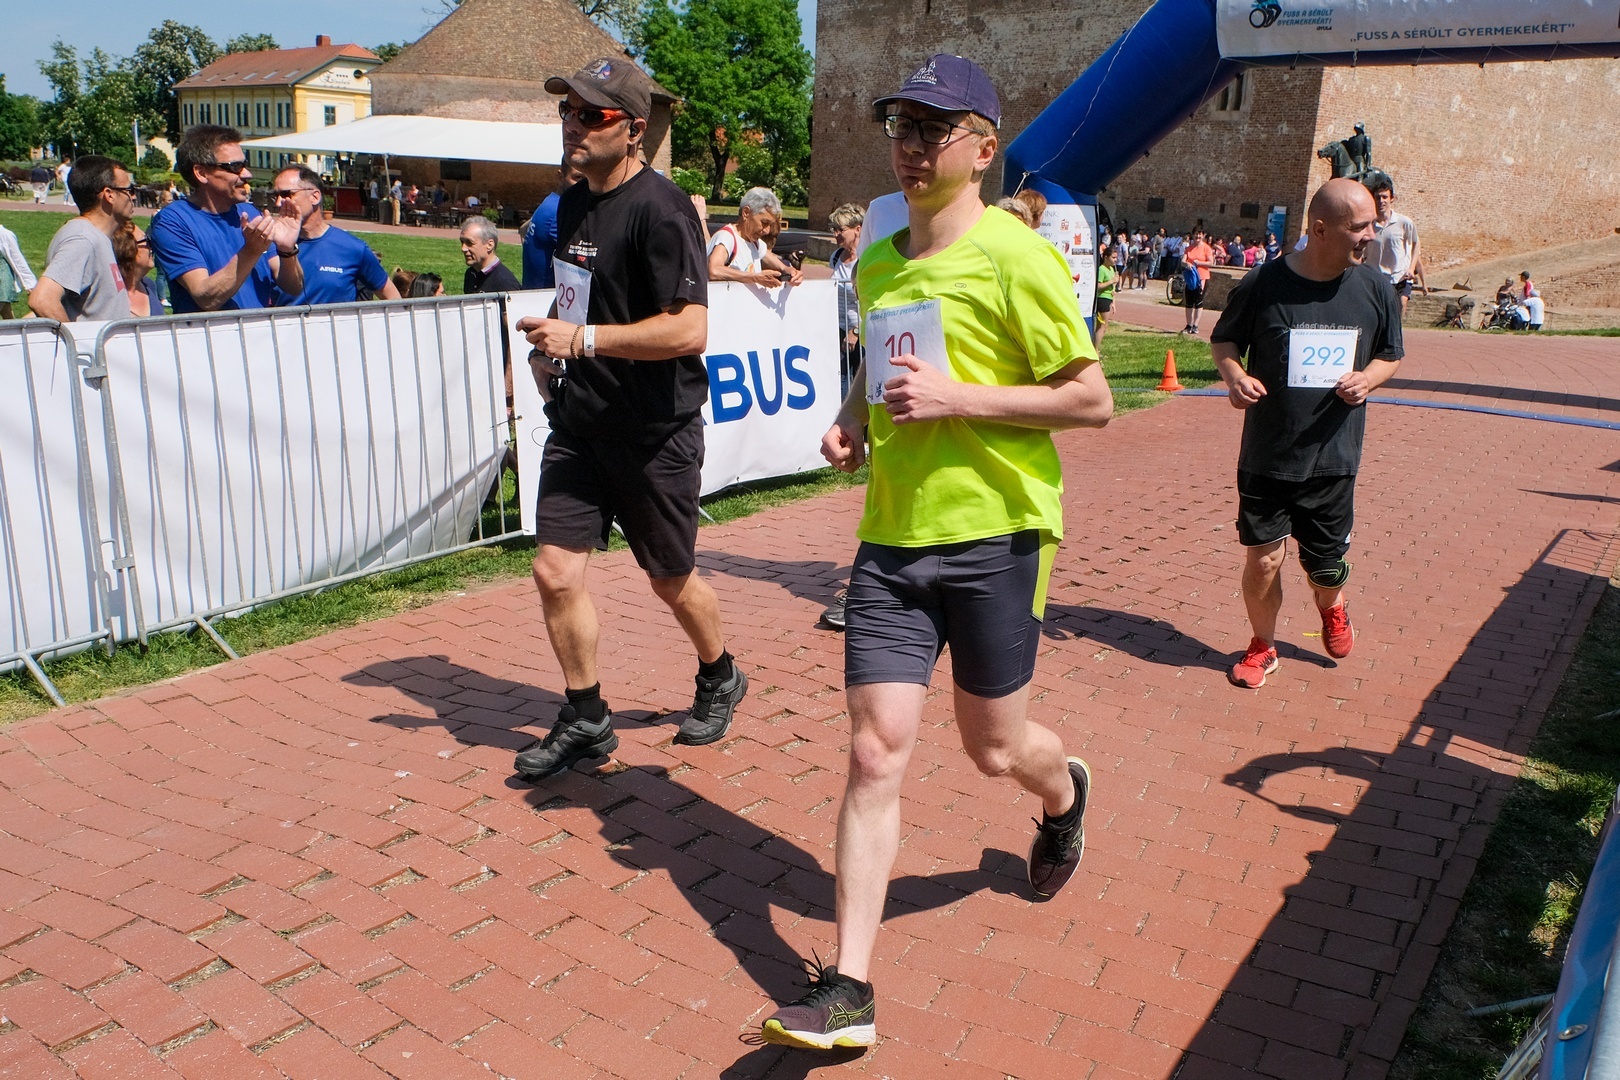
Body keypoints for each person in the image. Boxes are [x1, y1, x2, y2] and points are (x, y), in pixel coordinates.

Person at [760, 53, 1112, 1052]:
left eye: (933, 129)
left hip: (997, 534)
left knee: (994, 749)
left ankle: (1064, 793)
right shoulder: (878, 260)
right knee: (875, 750)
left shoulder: (1016, 257)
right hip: (892, 539)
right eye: (900, 127)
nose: (911, 147)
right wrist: (852, 418)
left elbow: (1091, 398)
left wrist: (961, 399)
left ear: (984, 149)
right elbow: (882, 363)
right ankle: (849, 991)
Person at [509, 56, 746, 782]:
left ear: (635, 129)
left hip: (654, 432)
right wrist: (551, 350)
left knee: (670, 578)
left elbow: (689, 330)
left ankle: (720, 672)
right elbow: (580, 297)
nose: (574, 125)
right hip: (580, 422)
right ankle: (586, 715)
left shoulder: (662, 209)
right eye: (568, 111)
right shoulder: (570, 205)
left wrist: (584, 340)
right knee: (555, 572)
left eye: (593, 114)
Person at [1210, 178, 1403, 690]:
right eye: (1359, 227)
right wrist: (1235, 377)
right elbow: (1224, 340)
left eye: (1373, 224)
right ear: (1320, 230)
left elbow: (1391, 354)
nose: (1371, 235)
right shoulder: (1264, 284)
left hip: (1333, 458)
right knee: (1263, 561)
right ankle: (1262, 645)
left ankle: (1332, 605)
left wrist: (1369, 378)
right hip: (1268, 455)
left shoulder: (1376, 289)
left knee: (1324, 566)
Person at [149, 126, 303, 313]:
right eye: (235, 167)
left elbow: (294, 287)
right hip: (208, 332)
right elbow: (206, 298)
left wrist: (287, 250)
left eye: (245, 164)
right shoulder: (171, 222)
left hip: (258, 330)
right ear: (201, 173)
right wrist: (251, 251)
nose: (247, 174)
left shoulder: (250, 213)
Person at [269, 165, 400, 305]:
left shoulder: (353, 248)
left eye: (286, 194)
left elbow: (393, 299)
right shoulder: (269, 246)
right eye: (275, 196)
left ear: (314, 197)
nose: (278, 203)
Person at [30, 156, 138, 323]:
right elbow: (42, 299)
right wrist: (73, 339)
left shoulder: (95, 237)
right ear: (109, 195)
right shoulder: (83, 239)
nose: (134, 197)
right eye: (129, 190)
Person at [707, 187, 803, 287]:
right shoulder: (726, 237)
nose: (767, 231)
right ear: (746, 213)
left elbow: (780, 266)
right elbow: (714, 270)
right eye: (764, 222)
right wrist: (755, 278)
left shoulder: (755, 243)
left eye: (770, 225)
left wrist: (791, 271)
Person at [1364, 173, 1427, 317]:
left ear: (1392, 199)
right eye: (1378, 197)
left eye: (1384, 197)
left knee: (1399, 308)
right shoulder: (1368, 224)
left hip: (1398, 278)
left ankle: (1396, 331)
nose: (1381, 201)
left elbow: (1416, 244)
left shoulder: (1404, 223)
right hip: (1375, 278)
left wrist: (1411, 268)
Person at [522, 166, 584, 289]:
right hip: (546, 295)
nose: (584, 184)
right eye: (578, 177)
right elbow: (582, 261)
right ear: (561, 177)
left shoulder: (551, 202)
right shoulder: (559, 211)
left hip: (533, 291)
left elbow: (523, 229)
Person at [828, 202, 864, 399]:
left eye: (840, 229)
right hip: (839, 330)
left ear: (857, 229)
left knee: (861, 383)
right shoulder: (836, 257)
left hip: (862, 335)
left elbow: (875, 301)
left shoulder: (867, 257)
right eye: (833, 229)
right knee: (840, 380)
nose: (836, 234)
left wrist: (856, 331)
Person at [112, 223, 162, 317]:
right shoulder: (110, 293)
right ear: (128, 249)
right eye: (146, 241)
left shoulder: (149, 285)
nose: (151, 246)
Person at [460, 216, 520, 294]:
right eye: (462, 242)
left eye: (469, 243)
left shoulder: (506, 284)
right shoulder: (471, 274)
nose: (463, 248)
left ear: (489, 245)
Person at [1182, 227, 1216, 334]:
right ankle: (1188, 325)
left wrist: (1199, 263)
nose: (1198, 236)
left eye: (1200, 234)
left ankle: (1195, 325)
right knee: (1189, 302)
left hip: (1202, 278)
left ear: (1203, 235)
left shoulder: (1206, 248)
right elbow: (1183, 260)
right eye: (1196, 234)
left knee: (1198, 302)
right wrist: (1186, 264)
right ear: (1193, 235)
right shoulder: (1189, 248)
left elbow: (1211, 263)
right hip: (1190, 278)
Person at [0, 220, 37, 320]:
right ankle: (15, 329)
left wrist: (30, 284)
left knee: (3, 303)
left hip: (2, 282)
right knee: (6, 312)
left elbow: (18, 260)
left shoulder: (5, 235)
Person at [1094, 240, 1117, 345]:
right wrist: (1111, 281)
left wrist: (1113, 302)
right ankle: (1095, 349)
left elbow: (1112, 289)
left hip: (1108, 298)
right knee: (1102, 326)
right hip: (1102, 298)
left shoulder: (1111, 269)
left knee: (1104, 326)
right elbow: (1098, 286)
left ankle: (1096, 348)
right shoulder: (1102, 269)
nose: (1115, 260)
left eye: (1116, 258)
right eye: (1113, 257)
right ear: (1106, 257)